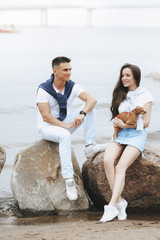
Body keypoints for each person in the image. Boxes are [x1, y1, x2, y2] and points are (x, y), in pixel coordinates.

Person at [36, 56, 105, 201]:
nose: (69, 73)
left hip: (63, 124)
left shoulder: (71, 86)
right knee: (65, 135)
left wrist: (82, 113)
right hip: (47, 127)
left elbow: (92, 100)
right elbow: (46, 116)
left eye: (70, 69)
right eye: (65, 70)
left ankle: (90, 146)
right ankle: (69, 180)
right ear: (55, 71)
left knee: (90, 109)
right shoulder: (44, 90)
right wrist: (66, 126)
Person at [100, 63, 153, 222]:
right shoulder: (120, 93)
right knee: (107, 161)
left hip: (136, 135)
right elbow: (119, 116)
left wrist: (127, 125)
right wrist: (118, 123)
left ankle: (111, 207)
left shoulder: (146, 96)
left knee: (120, 167)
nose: (124, 78)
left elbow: (147, 122)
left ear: (136, 77)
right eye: (122, 75)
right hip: (120, 134)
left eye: (127, 75)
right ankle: (120, 202)